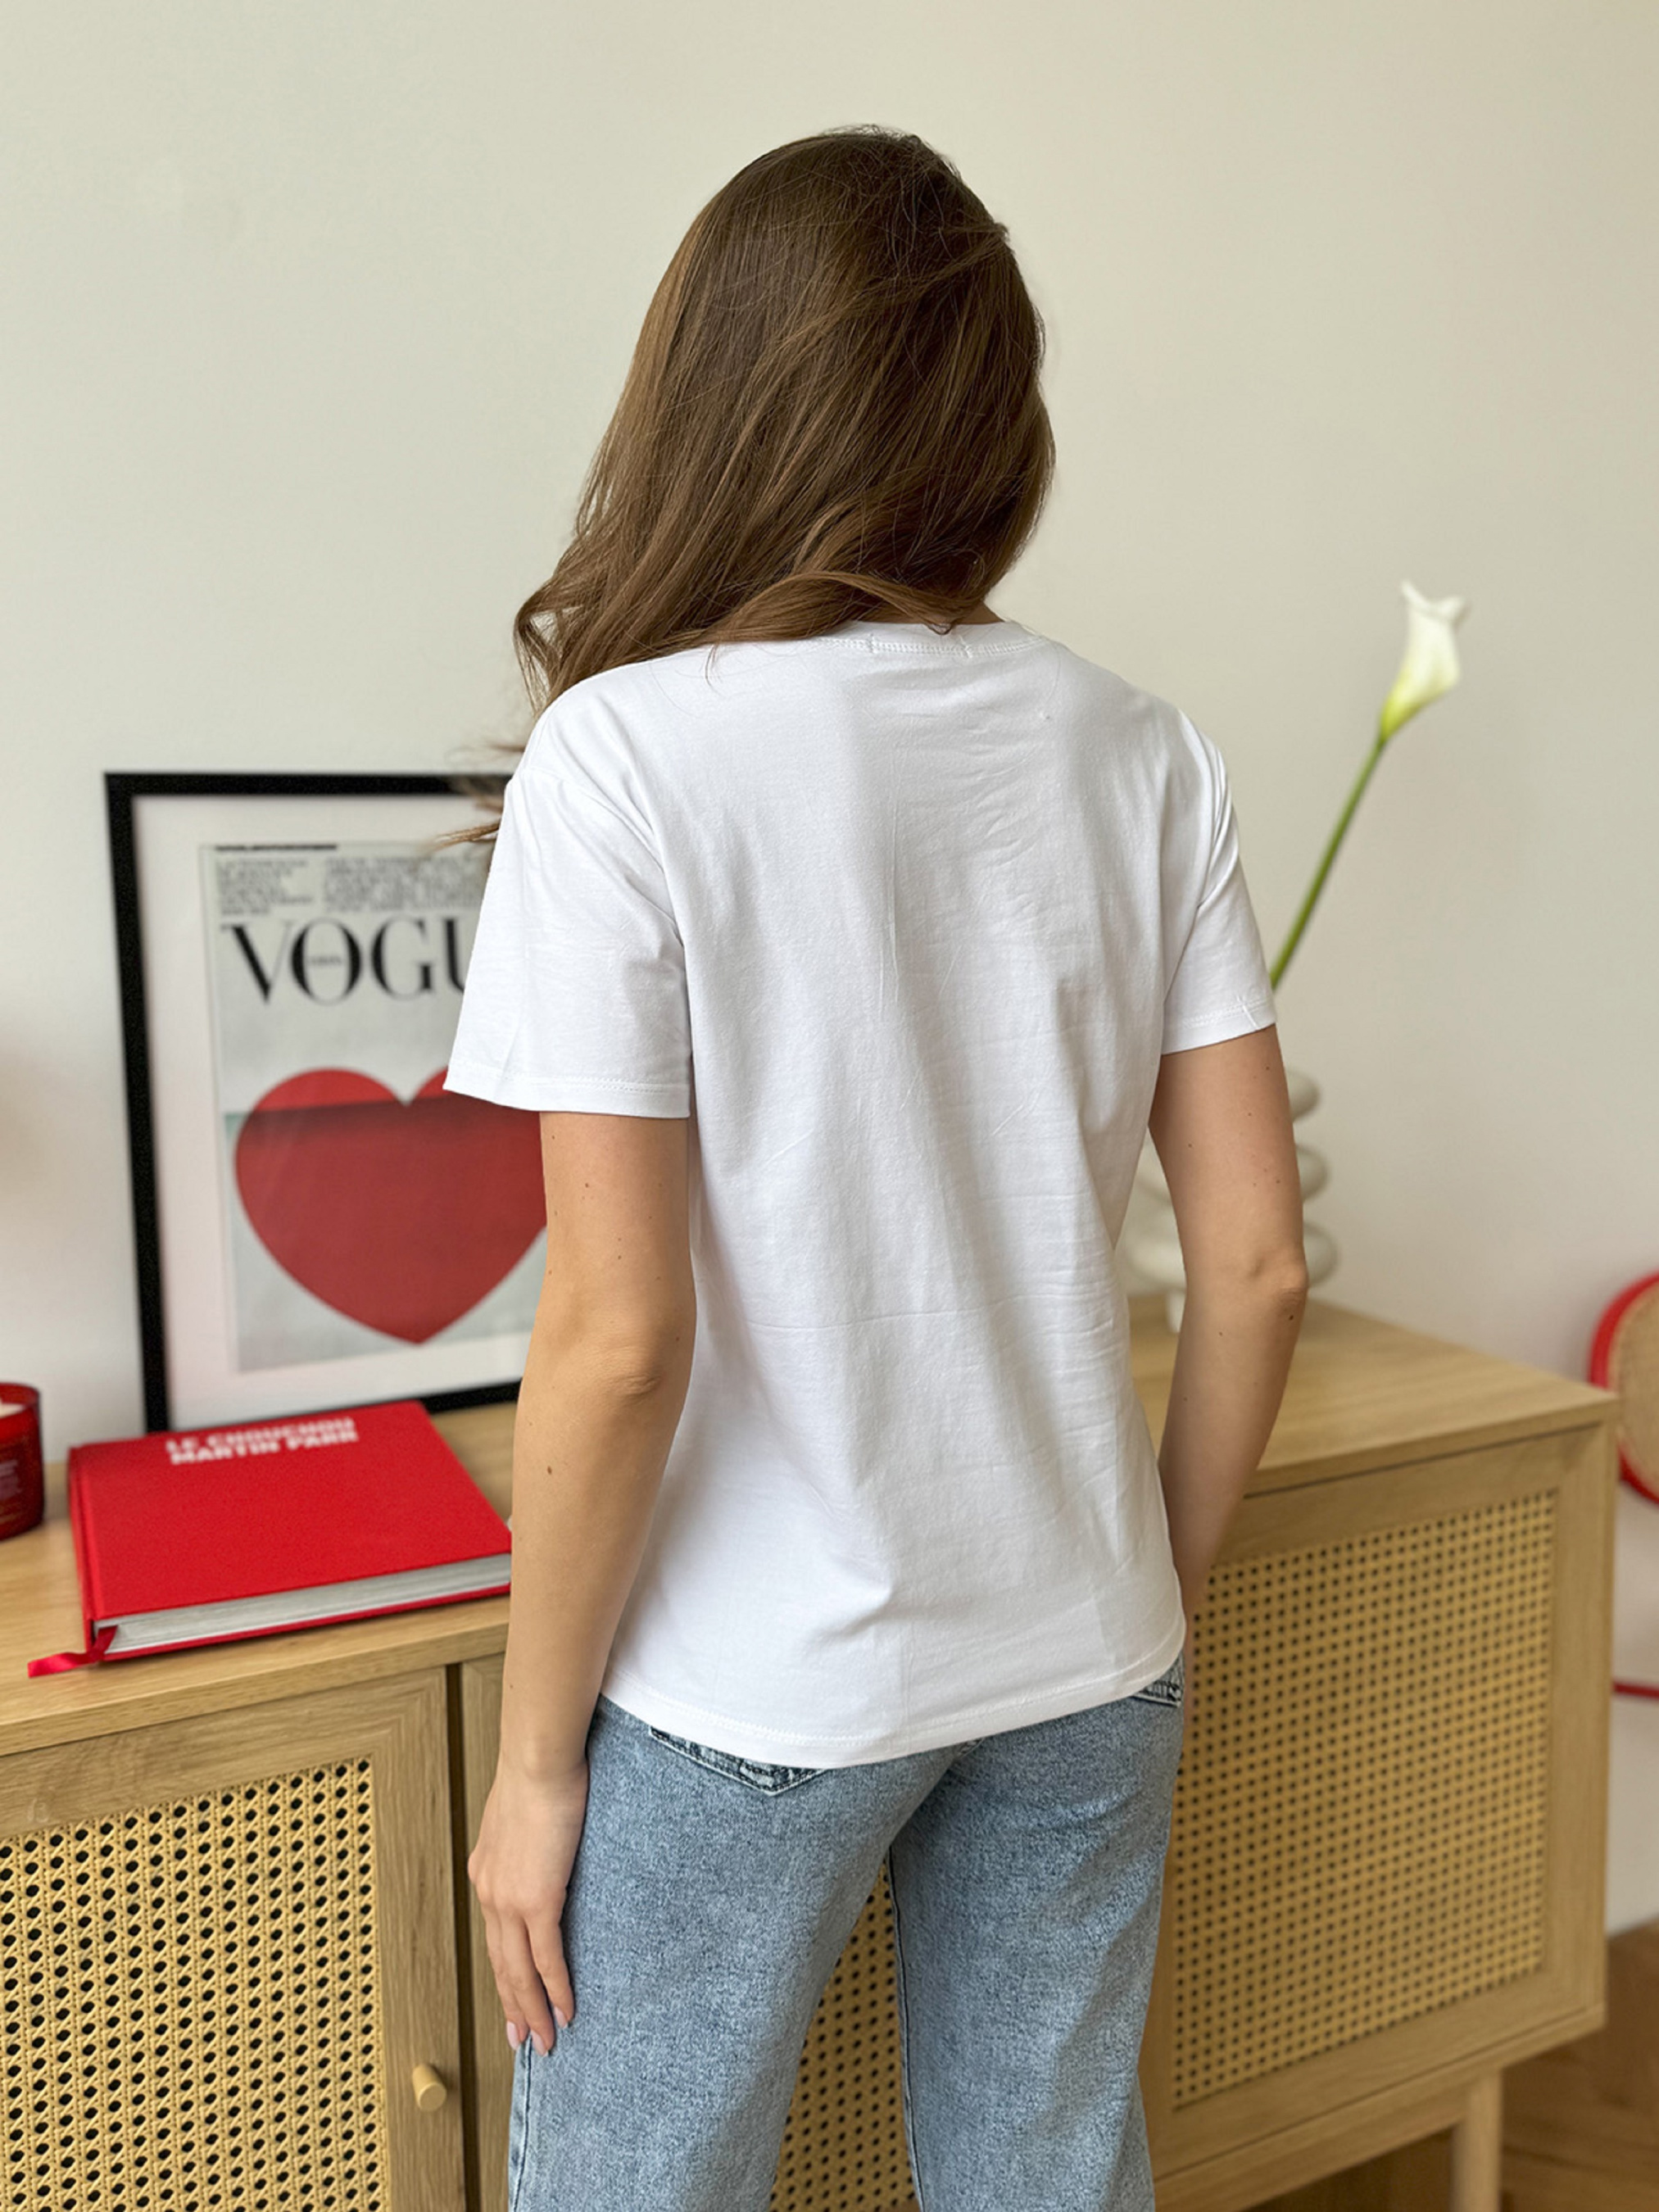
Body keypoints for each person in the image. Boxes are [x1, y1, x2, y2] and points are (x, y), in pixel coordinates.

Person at [444, 123, 1308, 2212]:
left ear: (705, 398)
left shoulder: (626, 758)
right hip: (1078, 1649)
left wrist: (534, 1769)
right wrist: (1148, 1586)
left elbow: (619, 1339)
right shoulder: (1142, 749)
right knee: (1049, 2179)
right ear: (992, 421)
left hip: (750, 1683)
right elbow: (1254, 1268)